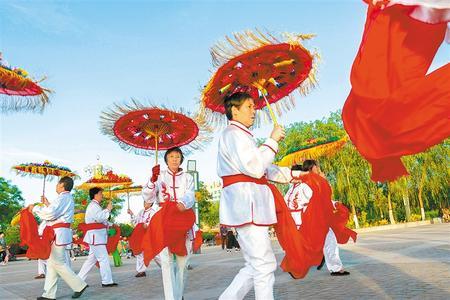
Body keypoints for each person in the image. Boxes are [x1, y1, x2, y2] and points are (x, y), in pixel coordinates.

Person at [217, 92, 301, 300]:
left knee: (255, 265)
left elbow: (266, 169)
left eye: (254, 106)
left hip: (250, 204)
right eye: (249, 106)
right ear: (234, 110)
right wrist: (272, 140)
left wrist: (298, 175)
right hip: (247, 204)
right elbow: (256, 167)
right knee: (263, 264)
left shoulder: (243, 136)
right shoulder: (233, 134)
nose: (254, 111)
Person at [142, 146, 196, 300]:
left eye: (177, 156)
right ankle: (171, 297)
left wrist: (183, 203)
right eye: (171, 156)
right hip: (164, 219)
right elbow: (148, 198)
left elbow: (190, 194)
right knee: (165, 262)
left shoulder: (188, 177)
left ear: (181, 159)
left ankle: (178, 295)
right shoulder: (159, 176)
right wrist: (152, 181)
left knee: (182, 263)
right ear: (166, 159)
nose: (174, 159)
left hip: (182, 218)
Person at [29, 176, 88, 300]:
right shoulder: (66, 198)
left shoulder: (63, 198)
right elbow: (57, 212)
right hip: (60, 232)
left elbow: (51, 213)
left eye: (57, 184)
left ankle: (79, 285)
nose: (56, 186)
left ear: (62, 185)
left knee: (58, 263)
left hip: (57, 233)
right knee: (52, 264)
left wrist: (35, 208)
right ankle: (49, 295)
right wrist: (48, 204)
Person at [293, 160, 350, 276]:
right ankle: (297, 264)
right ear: (312, 167)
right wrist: (323, 181)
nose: (318, 168)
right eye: (316, 166)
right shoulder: (308, 183)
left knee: (327, 240)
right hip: (313, 218)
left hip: (316, 218)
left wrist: (333, 203)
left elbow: (322, 198)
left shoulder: (309, 181)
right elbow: (317, 198)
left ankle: (334, 267)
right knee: (320, 242)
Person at [77, 187, 117, 287]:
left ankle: (78, 280)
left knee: (91, 260)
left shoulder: (95, 206)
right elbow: (99, 218)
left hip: (96, 236)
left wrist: (111, 224)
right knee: (103, 259)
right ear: (95, 195)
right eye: (100, 193)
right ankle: (107, 281)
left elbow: (101, 220)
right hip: (96, 236)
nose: (102, 195)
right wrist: (108, 209)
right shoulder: (93, 206)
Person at [127, 200, 161, 277]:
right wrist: (131, 214)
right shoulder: (141, 211)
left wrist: (147, 225)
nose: (145, 203)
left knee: (154, 252)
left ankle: (165, 267)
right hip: (140, 235)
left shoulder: (153, 212)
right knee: (139, 253)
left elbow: (154, 222)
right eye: (144, 202)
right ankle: (141, 271)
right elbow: (136, 222)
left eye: (147, 202)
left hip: (149, 235)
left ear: (151, 204)